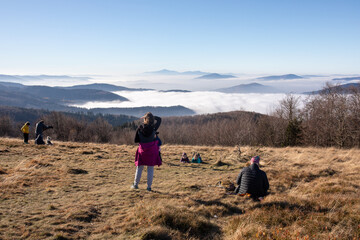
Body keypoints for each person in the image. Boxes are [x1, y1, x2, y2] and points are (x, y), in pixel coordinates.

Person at [131, 112, 162, 191]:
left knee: (139, 168)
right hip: (151, 150)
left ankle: (135, 185)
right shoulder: (154, 128)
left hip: (142, 151)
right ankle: (149, 187)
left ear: (145, 119)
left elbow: (135, 140)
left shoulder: (140, 128)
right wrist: (151, 117)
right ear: (151, 120)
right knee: (150, 169)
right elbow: (159, 119)